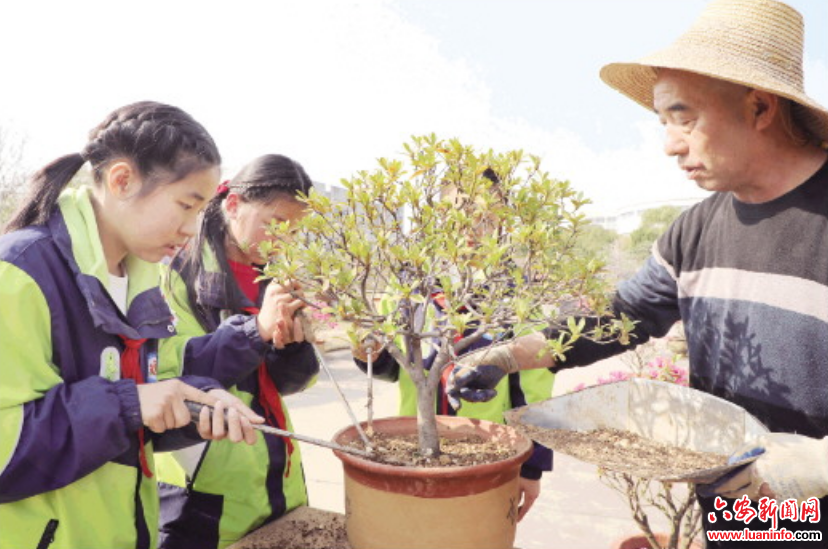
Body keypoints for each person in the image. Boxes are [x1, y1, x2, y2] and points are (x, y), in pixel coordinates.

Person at [446, 0, 828, 545]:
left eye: (685, 118)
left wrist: (818, 464)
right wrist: (510, 354)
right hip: (743, 509)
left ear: (760, 107)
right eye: (663, 122)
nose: (670, 145)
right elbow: (622, 316)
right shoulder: (695, 231)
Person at [0, 101, 265, 549]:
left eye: (201, 212)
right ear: (122, 180)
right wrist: (130, 404)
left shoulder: (140, 283)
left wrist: (194, 400)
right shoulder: (19, 275)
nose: (191, 228)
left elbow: (133, 413)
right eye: (186, 205)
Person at [353, 169, 554, 521]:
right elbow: (393, 367)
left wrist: (532, 466)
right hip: (414, 443)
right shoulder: (409, 289)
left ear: (503, 221)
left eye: (486, 216)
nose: (473, 227)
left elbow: (536, 390)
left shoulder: (518, 298)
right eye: (461, 213)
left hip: (489, 451)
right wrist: (368, 354)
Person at [154, 154, 320, 549]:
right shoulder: (174, 272)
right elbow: (175, 370)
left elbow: (284, 384)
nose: (283, 241)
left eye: (295, 232)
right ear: (232, 205)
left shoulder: (273, 278)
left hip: (276, 478)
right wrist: (256, 330)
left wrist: (292, 346)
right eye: (275, 224)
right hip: (202, 494)